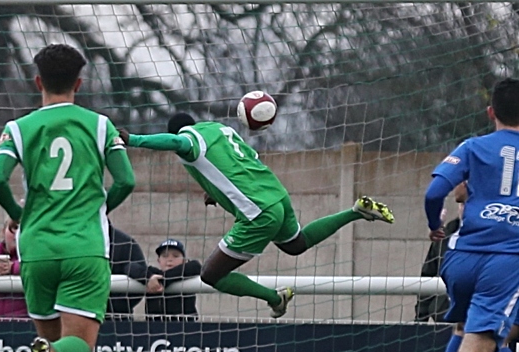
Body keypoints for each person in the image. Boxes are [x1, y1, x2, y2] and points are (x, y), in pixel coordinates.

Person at [119, 114, 394, 318]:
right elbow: (245, 160)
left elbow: (177, 141)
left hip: (256, 212)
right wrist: (217, 192)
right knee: (295, 244)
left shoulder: (189, 139)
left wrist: (133, 139)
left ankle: (274, 298)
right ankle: (354, 211)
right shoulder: (221, 130)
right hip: (276, 196)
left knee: (211, 274)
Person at [0, 43, 135, 352]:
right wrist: (100, 210)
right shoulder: (100, 125)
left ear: (38, 82)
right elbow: (126, 180)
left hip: (36, 249)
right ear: (79, 84)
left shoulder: (18, 128)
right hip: (84, 248)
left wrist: (21, 217)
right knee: (76, 351)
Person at [425, 78, 519, 352]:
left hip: (460, 258)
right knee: (483, 347)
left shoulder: (473, 146)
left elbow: (435, 192)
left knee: (467, 333)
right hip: (507, 262)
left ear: (491, 111)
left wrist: (434, 224)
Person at [414, 185, 465, 323]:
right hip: (442, 317)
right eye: (461, 204)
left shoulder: (491, 236)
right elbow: (428, 273)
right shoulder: (445, 234)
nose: (464, 209)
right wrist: (420, 318)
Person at [145, 239, 202, 321]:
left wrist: (162, 281)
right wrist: (151, 278)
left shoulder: (188, 271)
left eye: (175, 256)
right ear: (158, 260)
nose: (170, 259)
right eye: (165, 256)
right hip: (154, 327)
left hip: (185, 327)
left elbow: (196, 266)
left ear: (184, 260)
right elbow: (133, 268)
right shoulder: (150, 274)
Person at [107, 224, 150, 319]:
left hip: (117, 320)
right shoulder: (70, 239)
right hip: (74, 316)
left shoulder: (124, 242)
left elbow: (136, 270)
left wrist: (114, 306)